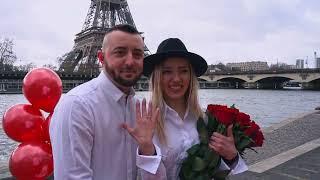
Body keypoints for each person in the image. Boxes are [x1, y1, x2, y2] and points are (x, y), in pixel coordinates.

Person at [49, 24, 162, 180]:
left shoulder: (139, 108)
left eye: (137, 54)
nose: (130, 61)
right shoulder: (77, 105)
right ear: (101, 58)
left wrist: (147, 149)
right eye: (120, 53)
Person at [134, 38, 248, 179]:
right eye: (167, 72)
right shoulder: (147, 122)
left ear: (191, 76)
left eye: (183, 71)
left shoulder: (205, 119)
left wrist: (231, 157)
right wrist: (147, 150)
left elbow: (216, 171)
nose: (176, 79)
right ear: (157, 77)